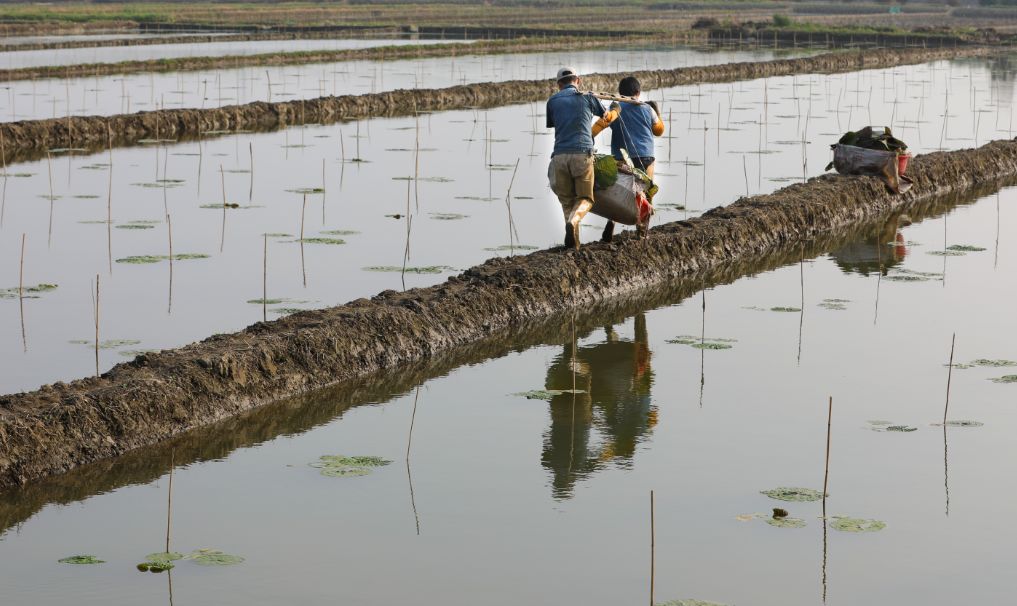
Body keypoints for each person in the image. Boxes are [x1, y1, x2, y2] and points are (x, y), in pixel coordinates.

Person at [546, 67, 619, 249]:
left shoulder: (552, 101)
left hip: (560, 156)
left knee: (567, 201)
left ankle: (574, 245)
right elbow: (605, 116)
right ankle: (573, 223)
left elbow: (554, 123)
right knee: (586, 198)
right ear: (577, 80)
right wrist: (615, 109)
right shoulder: (587, 96)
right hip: (582, 155)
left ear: (559, 84)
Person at [602, 76, 664, 243]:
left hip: (620, 158)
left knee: (618, 192)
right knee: (646, 192)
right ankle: (642, 231)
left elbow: (604, 122)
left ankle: (611, 222)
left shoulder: (615, 108)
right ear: (638, 92)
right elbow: (659, 131)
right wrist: (656, 111)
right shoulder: (647, 109)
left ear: (620, 93)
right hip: (645, 157)